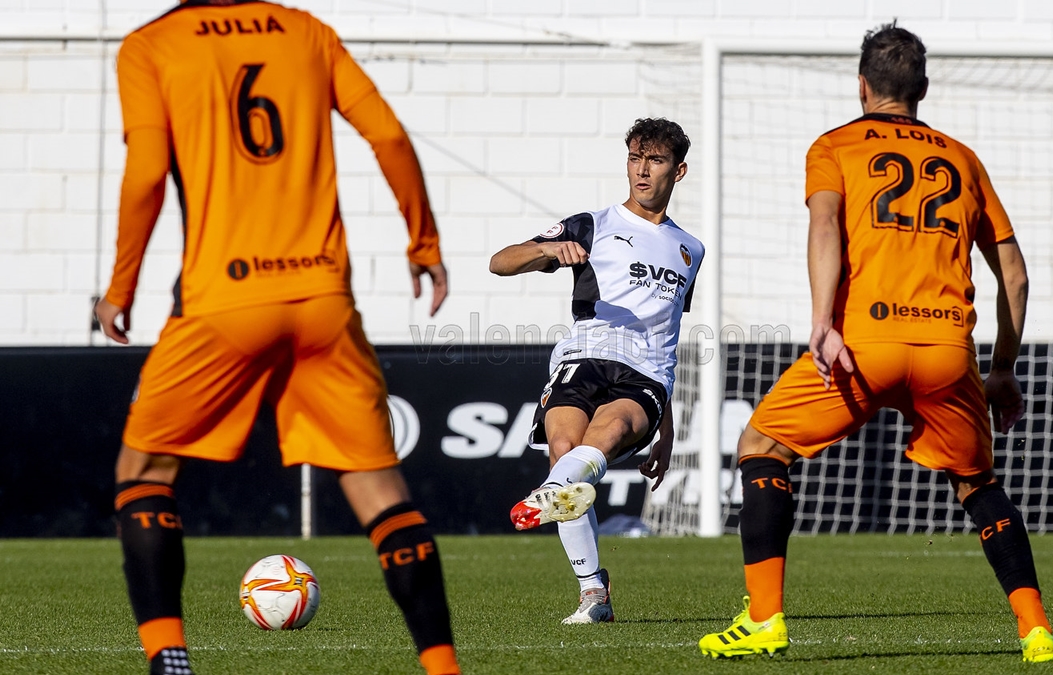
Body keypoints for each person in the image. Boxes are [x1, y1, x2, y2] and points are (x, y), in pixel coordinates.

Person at [94, 2, 458, 673]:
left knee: (143, 471)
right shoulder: (306, 31)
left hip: (224, 299)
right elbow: (390, 137)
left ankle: (169, 656)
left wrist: (120, 289)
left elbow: (146, 172)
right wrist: (423, 241)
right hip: (322, 299)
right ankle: (443, 667)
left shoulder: (150, 45)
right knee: (381, 491)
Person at [697, 23, 1053, 663]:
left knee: (760, 446)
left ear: (861, 85)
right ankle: (1036, 631)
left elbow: (827, 224)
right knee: (977, 483)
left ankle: (764, 620)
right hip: (949, 351)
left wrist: (821, 321)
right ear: (922, 88)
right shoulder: (962, 158)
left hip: (864, 345)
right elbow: (1016, 275)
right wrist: (1002, 368)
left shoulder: (835, 146)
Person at [489, 118, 704, 624]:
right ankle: (594, 591)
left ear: (679, 170)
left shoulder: (689, 250)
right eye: (635, 158)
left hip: (647, 371)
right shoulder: (593, 224)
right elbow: (499, 262)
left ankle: (552, 502)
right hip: (583, 355)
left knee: (601, 440)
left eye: (655, 161)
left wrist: (666, 433)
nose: (642, 171)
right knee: (565, 452)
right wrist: (546, 251)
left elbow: (669, 332)